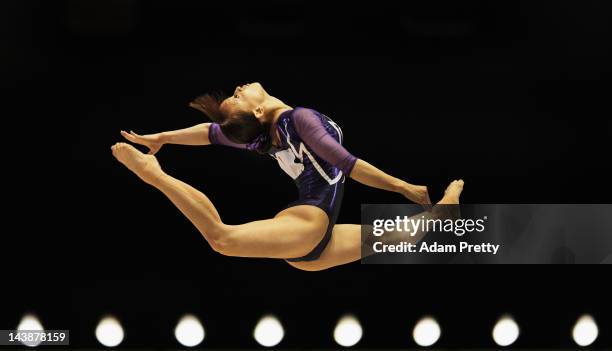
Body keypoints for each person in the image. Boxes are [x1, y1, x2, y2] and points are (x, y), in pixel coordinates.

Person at [111, 82, 464, 271]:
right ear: (259, 109)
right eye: (239, 96)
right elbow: (349, 164)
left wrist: (162, 137)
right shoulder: (298, 121)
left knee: (400, 237)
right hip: (309, 225)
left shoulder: (265, 140)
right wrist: (404, 187)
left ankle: (442, 212)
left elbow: (209, 133)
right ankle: (153, 175)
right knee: (221, 239)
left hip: (312, 246)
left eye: (234, 94)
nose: (238, 88)